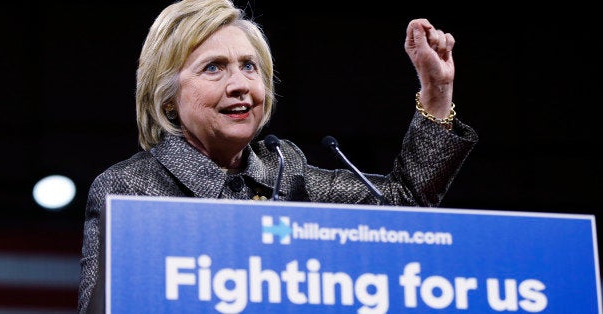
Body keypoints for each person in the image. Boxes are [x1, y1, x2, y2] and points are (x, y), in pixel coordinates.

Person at [78, 0, 478, 312]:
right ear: (167, 98)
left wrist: (436, 91)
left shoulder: (284, 169)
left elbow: (404, 205)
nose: (240, 85)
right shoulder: (129, 189)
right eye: (214, 68)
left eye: (249, 67)